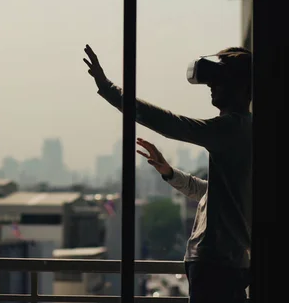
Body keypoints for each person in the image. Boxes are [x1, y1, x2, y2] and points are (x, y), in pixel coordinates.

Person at [83, 44, 252, 303]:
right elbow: (213, 193)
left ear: (240, 87)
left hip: (216, 267)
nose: (211, 86)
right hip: (224, 264)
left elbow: (169, 123)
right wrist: (170, 173)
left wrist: (109, 89)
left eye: (220, 81)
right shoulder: (244, 132)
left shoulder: (230, 129)